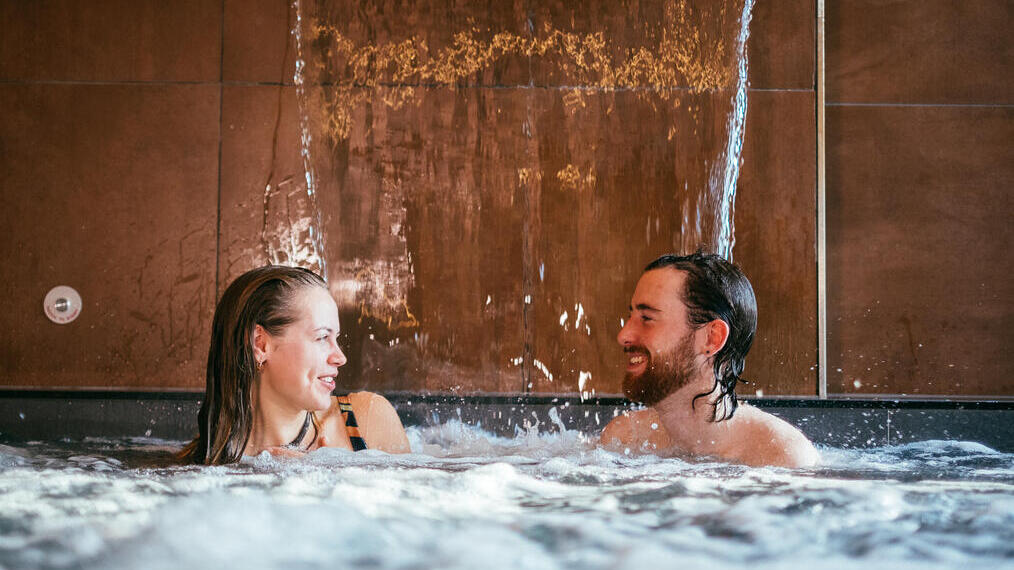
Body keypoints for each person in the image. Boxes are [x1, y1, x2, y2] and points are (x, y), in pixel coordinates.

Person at [600, 252, 819, 468]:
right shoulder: (624, 439)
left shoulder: (780, 457)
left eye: (647, 318)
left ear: (712, 338)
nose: (623, 335)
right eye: (631, 316)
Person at [179, 265, 410, 464]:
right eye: (322, 337)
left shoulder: (367, 421)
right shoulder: (205, 464)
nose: (340, 357)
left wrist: (328, 477)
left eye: (336, 338)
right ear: (260, 344)